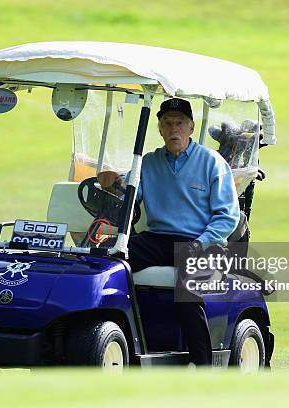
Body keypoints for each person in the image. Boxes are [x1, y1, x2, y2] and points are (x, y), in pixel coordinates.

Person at [98, 98, 240, 366]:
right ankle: (123, 342)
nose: (173, 129)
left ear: (191, 127)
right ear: (160, 129)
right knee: (114, 263)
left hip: (202, 242)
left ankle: (202, 364)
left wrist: (200, 244)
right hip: (157, 239)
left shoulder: (212, 162)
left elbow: (227, 216)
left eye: (179, 123)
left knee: (188, 291)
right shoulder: (149, 162)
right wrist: (113, 184)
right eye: (167, 123)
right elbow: (129, 195)